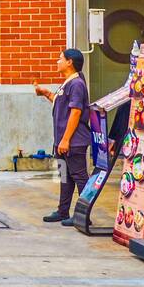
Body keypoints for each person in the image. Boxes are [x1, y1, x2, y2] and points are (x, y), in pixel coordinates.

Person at [35, 47, 93, 227]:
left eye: (60, 58)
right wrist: (46, 93)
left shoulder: (76, 84)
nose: (57, 61)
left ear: (70, 62)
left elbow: (75, 112)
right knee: (65, 177)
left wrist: (66, 139)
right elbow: (61, 103)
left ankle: (84, 215)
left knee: (80, 177)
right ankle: (62, 211)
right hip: (61, 141)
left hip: (73, 142)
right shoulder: (68, 83)